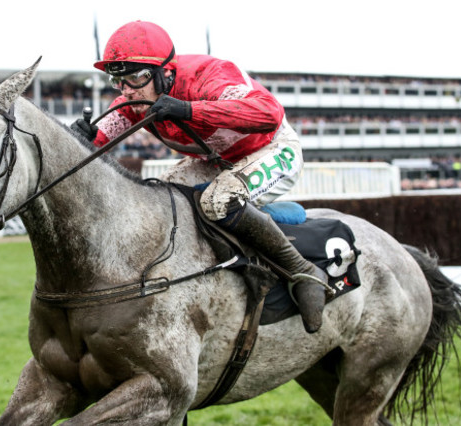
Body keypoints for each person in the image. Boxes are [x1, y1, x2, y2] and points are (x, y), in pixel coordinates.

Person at [71, 21, 328, 333]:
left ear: (165, 72)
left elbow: (267, 113)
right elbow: (98, 139)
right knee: (160, 202)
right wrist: (79, 138)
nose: (127, 90)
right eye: (118, 80)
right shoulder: (133, 100)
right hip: (215, 160)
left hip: (271, 148)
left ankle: (303, 271)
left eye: (136, 78)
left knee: (219, 202)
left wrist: (188, 109)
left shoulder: (210, 74)